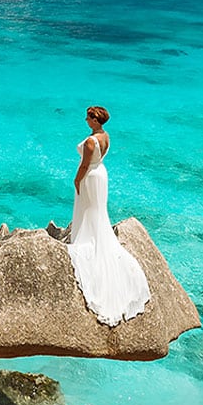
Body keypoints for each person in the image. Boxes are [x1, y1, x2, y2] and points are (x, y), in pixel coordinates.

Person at [66, 105, 150, 325]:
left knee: (89, 210)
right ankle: (95, 236)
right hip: (101, 174)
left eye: (88, 117)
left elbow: (84, 165)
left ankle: (88, 240)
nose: (85, 120)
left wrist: (76, 180)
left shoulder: (91, 141)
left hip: (91, 176)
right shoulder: (105, 136)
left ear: (95, 120)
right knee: (97, 211)